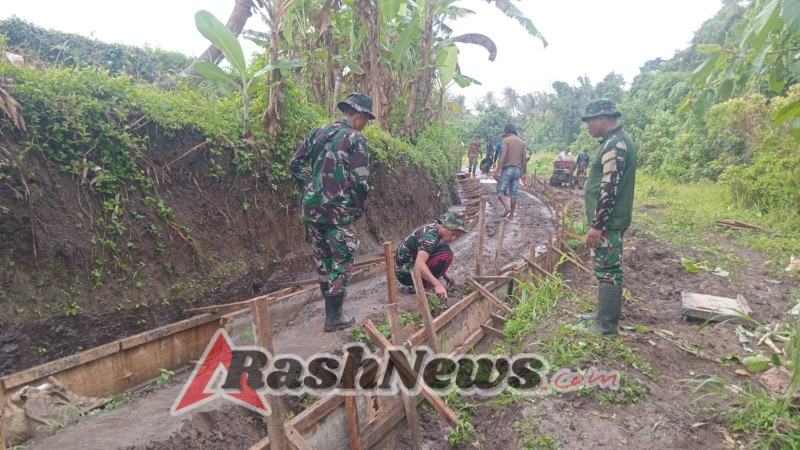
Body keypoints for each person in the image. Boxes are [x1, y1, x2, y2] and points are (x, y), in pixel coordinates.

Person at [289, 93, 374, 332]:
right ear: (359, 116)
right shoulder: (356, 138)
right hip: (338, 209)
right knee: (344, 256)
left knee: (322, 256)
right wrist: (358, 208)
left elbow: (294, 164)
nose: (365, 124)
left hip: (312, 209)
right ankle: (334, 317)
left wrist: (309, 187)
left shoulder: (317, 132)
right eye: (366, 120)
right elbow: (360, 182)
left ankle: (331, 311)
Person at [579, 99, 637, 336]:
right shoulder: (616, 140)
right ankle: (602, 315)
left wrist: (597, 224)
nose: (587, 126)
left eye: (589, 121)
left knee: (609, 270)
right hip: (608, 221)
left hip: (608, 223)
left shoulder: (615, 144)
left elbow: (609, 187)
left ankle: (606, 326)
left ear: (602, 118)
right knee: (604, 267)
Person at [394, 213, 467, 300]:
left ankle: (422, 284)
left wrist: (444, 273)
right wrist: (438, 285)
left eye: (456, 236)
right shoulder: (430, 237)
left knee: (444, 248)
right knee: (445, 256)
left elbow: (430, 251)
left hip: (408, 265)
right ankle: (419, 287)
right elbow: (419, 264)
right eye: (453, 234)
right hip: (404, 273)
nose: (453, 238)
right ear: (445, 227)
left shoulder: (434, 228)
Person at [493, 124, 527, 220]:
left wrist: (497, 170)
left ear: (506, 131)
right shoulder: (522, 142)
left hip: (507, 169)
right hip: (517, 170)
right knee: (513, 194)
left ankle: (507, 208)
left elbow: (503, 156)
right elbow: (524, 159)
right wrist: (524, 173)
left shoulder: (506, 140)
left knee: (500, 191)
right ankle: (511, 215)